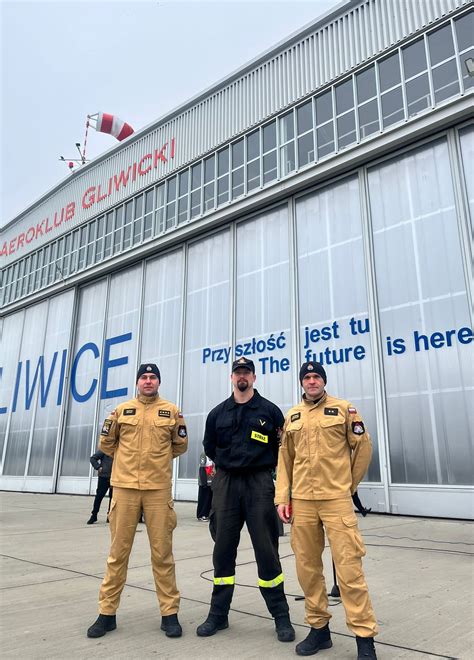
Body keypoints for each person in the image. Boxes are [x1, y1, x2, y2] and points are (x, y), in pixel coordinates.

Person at [275, 361, 378, 659]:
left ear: (323, 381)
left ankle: (364, 637)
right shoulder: (293, 415)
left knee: (349, 570)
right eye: (307, 377)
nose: (311, 381)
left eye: (316, 376)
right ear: (301, 382)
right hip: (303, 502)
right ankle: (319, 630)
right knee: (307, 569)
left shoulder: (344, 409)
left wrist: (349, 485)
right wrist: (283, 497)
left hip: (336, 500)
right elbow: (285, 459)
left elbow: (363, 447)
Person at [196, 357, 295, 643]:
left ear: (253, 377)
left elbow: (282, 448)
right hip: (226, 483)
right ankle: (218, 614)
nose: (242, 377)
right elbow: (209, 446)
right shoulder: (217, 414)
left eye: (246, 373)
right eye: (238, 373)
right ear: (232, 378)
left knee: (267, 549)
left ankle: (281, 616)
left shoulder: (270, 411)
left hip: (259, 482)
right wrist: (229, 464)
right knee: (223, 549)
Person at [86, 363, 188, 640]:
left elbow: (180, 445)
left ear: (159, 382)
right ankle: (107, 614)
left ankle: (169, 614)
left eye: (153, 377)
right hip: (124, 489)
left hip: (158, 491)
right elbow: (106, 443)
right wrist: (127, 461)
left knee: (163, 555)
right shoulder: (121, 411)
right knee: (117, 554)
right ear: (137, 382)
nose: (148, 381)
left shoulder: (171, 411)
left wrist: (156, 461)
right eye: (144, 377)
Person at [87, 449, 113, 524]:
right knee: (99, 497)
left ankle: (110, 516)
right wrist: (98, 467)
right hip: (103, 477)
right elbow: (93, 458)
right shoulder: (104, 449)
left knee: (113, 498)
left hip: (114, 478)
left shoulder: (119, 450)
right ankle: (94, 515)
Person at [196, 452, 214, 521]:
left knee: (209, 500)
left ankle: (207, 514)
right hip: (204, 482)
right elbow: (202, 469)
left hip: (211, 482)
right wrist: (204, 483)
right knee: (203, 499)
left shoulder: (213, 455)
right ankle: (201, 515)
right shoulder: (203, 455)